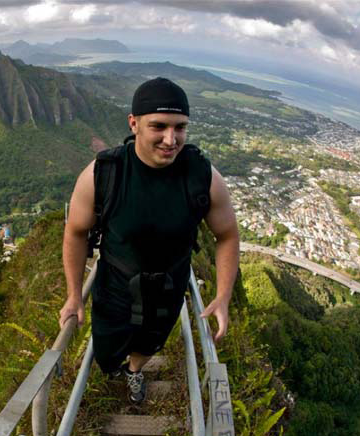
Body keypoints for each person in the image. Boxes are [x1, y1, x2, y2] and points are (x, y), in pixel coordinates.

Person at [59, 77, 239, 404]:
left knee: (150, 343)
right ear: (134, 123)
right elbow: (75, 231)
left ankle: (135, 371)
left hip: (169, 289)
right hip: (114, 286)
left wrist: (223, 295)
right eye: (159, 126)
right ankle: (114, 368)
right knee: (107, 347)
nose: (171, 139)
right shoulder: (104, 173)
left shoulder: (203, 176)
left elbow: (227, 234)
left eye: (180, 127)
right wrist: (74, 295)